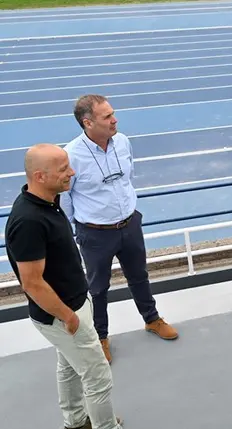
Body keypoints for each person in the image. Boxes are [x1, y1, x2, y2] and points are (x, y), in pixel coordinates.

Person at [6, 144, 124, 429]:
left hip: (71, 304)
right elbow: (32, 282)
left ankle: (76, 423)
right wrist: (68, 316)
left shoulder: (47, 201)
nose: (72, 172)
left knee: (69, 367)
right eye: (63, 170)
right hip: (63, 314)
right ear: (40, 176)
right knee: (97, 376)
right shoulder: (29, 221)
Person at [60, 94, 177, 365]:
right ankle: (100, 337)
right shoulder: (71, 155)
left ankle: (152, 319)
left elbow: (128, 178)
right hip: (95, 233)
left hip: (129, 224)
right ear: (88, 123)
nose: (115, 120)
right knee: (98, 288)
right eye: (107, 116)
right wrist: (75, 230)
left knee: (140, 276)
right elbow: (65, 199)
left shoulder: (123, 142)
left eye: (113, 113)